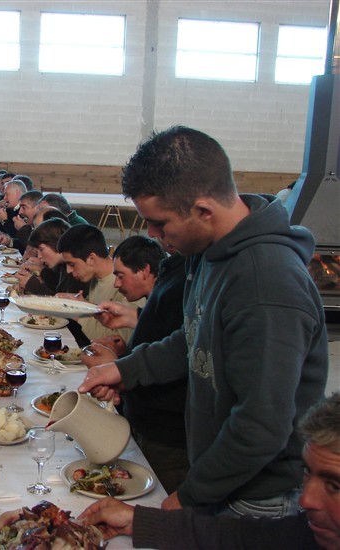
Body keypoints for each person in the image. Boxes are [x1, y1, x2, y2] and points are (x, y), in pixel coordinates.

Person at [79, 126, 328, 516]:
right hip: (222, 476)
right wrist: (127, 370)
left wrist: (192, 494)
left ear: (204, 211)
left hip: (255, 496)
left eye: (160, 223)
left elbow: (261, 425)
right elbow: (194, 338)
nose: (152, 234)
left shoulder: (266, 283)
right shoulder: (208, 250)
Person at [77, 392, 340, 550]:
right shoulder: (306, 534)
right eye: (307, 472)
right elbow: (244, 539)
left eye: (335, 486)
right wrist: (140, 522)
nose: (306, 500)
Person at [84, 235, 189, 493]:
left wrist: (119, 365)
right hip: (142, 420)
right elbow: (165, 335)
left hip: (166, 434)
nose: (156, 233)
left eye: (163, 224)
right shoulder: (175, 272)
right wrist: (134, 323)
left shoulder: (188, 282)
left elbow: (179, 359)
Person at [57, 224, 142, 344]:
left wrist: (79, 313)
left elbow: (119, 341)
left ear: (91, 258)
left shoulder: (125, 284)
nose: (68, 271)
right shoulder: (95, 278)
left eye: (72, 264)